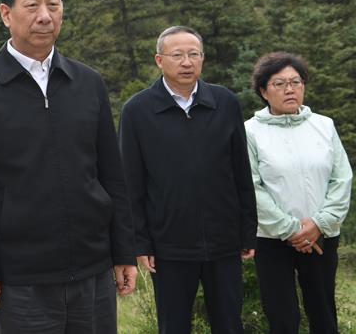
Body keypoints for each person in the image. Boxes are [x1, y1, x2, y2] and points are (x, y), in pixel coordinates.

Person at [0, 0, 137, 333]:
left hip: (93, 271)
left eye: (54, 4)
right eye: (32, 5)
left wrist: (123, 251)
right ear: (6, 14)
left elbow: (112, 176)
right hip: (19, 280)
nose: (45, 16)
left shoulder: (88, 83)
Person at [119, 25, 257, 334]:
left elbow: (241, 171)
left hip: (224, 241)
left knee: (229, 323)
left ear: (202, 59)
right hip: (168, 245)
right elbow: (131, 183)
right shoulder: (137, 111)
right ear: (159, 60)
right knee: (174, 325)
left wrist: (248, 231)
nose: (186, 62)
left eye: (194, 54)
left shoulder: (225, 102)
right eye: (177, 55)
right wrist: (139, 242)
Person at [245, 52, 352, 334]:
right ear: (263, 91)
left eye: (296, 82)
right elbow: (251, 187)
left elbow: (341, 178)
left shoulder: (324, 125)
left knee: (323, 314)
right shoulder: (250, 132)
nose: (289, 89)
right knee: (282, 318)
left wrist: (319, 223)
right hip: (272, 238)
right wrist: (292, 230)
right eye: (279, 84)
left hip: (321, 235)